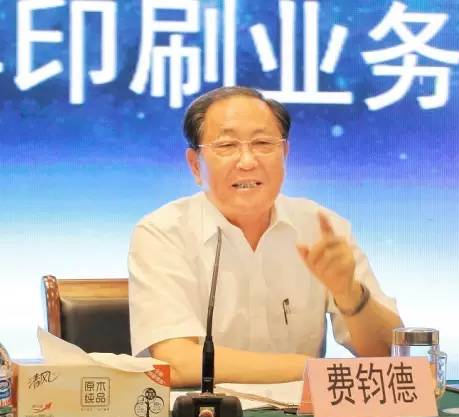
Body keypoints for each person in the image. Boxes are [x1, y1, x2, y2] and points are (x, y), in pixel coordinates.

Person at [128, 86, 402, 387]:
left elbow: (390, 356)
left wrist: (350, 293)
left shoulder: (322, 230)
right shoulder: (163, 233)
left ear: (284, 153)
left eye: (262, 143)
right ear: (195, 165)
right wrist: (313, 369)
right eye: (227, 145)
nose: (247, 161)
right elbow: (178, 363)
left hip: (302, 414)